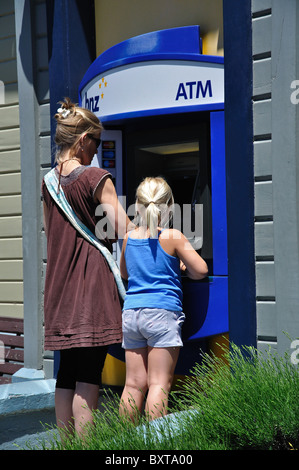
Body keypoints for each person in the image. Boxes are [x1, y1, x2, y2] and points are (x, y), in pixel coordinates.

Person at [42, 98, 132, 436]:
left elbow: (54, 238)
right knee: (89, 374)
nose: (97, 149)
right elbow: (126, 230)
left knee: (66, 372)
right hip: (91, 289)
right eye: (96, 142)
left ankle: (66, 445)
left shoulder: (48, 182)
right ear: (82, 141)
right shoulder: (95, 177)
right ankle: (87, 446)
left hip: (60, 288)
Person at [119, 176, 208, 421]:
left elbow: (125, 273)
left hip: (132, 314)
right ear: (169, 206)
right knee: (159, 384)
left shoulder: (129, 237)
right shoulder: (173, 236)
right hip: (161, 314)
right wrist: (180, 266)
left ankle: (126, 441)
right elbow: (200, 271)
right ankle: (155, 444)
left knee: (134, 385)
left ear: (137, 206)